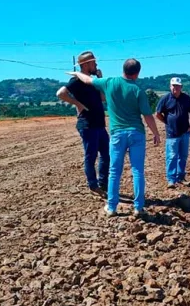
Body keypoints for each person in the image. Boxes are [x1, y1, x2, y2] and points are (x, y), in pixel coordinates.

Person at [67, 58, 161, 217]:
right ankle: (138, 207)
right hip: (136, 133)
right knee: (137, 171)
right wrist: (156, 133)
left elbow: (88, 80)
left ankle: (111, 207)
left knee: (114, 171)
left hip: (118, 134)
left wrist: (76, 72)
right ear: (137, 73)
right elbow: (148, 116)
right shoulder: (138, 90)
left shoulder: (109, 82)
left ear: (123, 69)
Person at [56, 51, 109, 194]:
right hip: (87, 124)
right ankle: (93, 185)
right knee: (91, 156)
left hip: (99, 123)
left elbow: (103, 98)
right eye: (94, 62)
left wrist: (100, 79)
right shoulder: (76, 81)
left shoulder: (92, 81)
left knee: (106, 154)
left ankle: (103, 184)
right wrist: (77, 104)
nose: (96, 65)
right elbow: (60, 93)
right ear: (86, 64)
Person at [155, 77, 190, 188]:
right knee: (172, 156)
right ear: (170, 86)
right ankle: (171, 179)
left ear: (181, 87)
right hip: (172, 134)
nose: (175, 88)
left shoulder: (186, 98)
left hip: (185, 133)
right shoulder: (165, 99)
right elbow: (158, 113)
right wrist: (167, 122)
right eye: (173, 86)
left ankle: (180, 176)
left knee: (183, 155)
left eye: (177, 86)